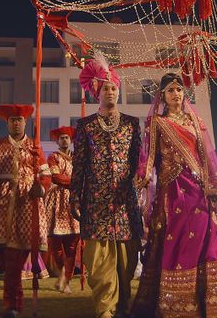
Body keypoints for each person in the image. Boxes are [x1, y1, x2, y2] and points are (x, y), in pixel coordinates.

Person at [131, 72, 217, 318]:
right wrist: (140, 177)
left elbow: (207, 159)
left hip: (198, 191)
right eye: (170, 90)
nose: (176, 94)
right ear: (162, 95)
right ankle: (179, 304)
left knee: (209, 237)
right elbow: (148, 156)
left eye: (179, 90)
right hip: (173, 192)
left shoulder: (196, 122)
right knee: (179, 239)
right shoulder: (157, 123)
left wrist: (215, 186)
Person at [70, 56, 142, 318]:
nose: (110, 91)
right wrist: (74, 197)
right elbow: (78, 165)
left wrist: (140, 183)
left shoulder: (132, 124)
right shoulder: (85, 126)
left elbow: (138, 162)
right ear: (96, 93)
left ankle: (123, 307)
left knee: (126, 259)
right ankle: (105, 311)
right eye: (105, 88)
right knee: (99, 262)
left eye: (113, 87)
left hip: (125, 202)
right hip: (95, 202)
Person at [0, 103, 50, 318]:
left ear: (25, 122)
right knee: (3, 258)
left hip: (26, 204)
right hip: (1, 205)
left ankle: (12, 305)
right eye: (12, 120)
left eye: (19, 120)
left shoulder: (35, 147)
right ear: (8, 123)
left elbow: (46, 176)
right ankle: (12, 302)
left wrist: (42, 187)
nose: (16, 123)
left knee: (15, 258)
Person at [45, 125, 80, 293]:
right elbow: (56, 177)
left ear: (71, 140)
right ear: (57, 141)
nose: (64, 140)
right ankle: (61, 276)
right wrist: (76, 182)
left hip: (74, 202)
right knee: (56, 245)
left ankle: (67, 280)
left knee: (72, 246)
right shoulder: (53, 157)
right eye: (62, 138)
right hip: (57, 202)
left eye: (67, 137)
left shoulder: (78, 158)